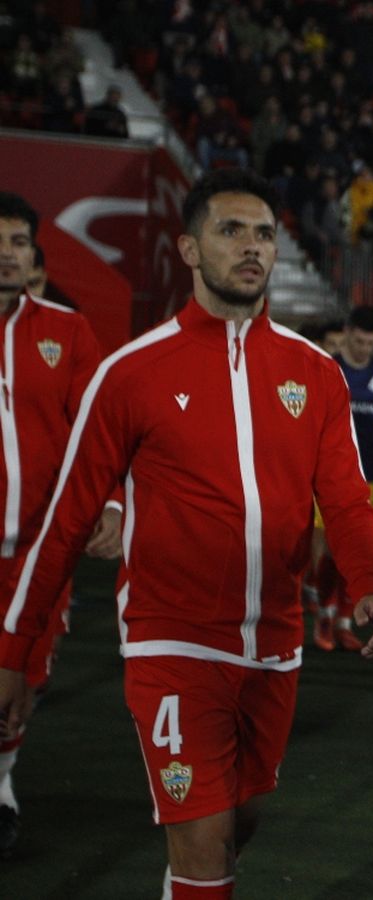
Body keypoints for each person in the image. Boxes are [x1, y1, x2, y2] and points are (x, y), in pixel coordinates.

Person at [0, 170, 373, 899]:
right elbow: (65, 521)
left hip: (275, 644)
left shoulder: (315, 374)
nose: (252, 247)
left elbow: (346, 501)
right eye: (230, 231)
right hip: (172, 640)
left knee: (238, 822)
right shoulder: (130, 373)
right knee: (207, 844)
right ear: (188, 249)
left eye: (264, 234)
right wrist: (14, 650)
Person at [0, 193, 116, 857]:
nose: (8, 253)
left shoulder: (67, 333)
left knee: (22, 686)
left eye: (19, 240)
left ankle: (2, 783)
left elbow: (101, 432)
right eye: (0, 240)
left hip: (41, 556)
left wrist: (113, 503)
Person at [308, 305, 373, 651]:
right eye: (360, 340)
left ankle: (344, 620)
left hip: (367, 473)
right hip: (327, 475)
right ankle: (324, 610)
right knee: (324, 546)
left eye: (371, 342)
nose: (365, 347)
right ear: (348, 332)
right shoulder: (325, 366)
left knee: (357, 548)